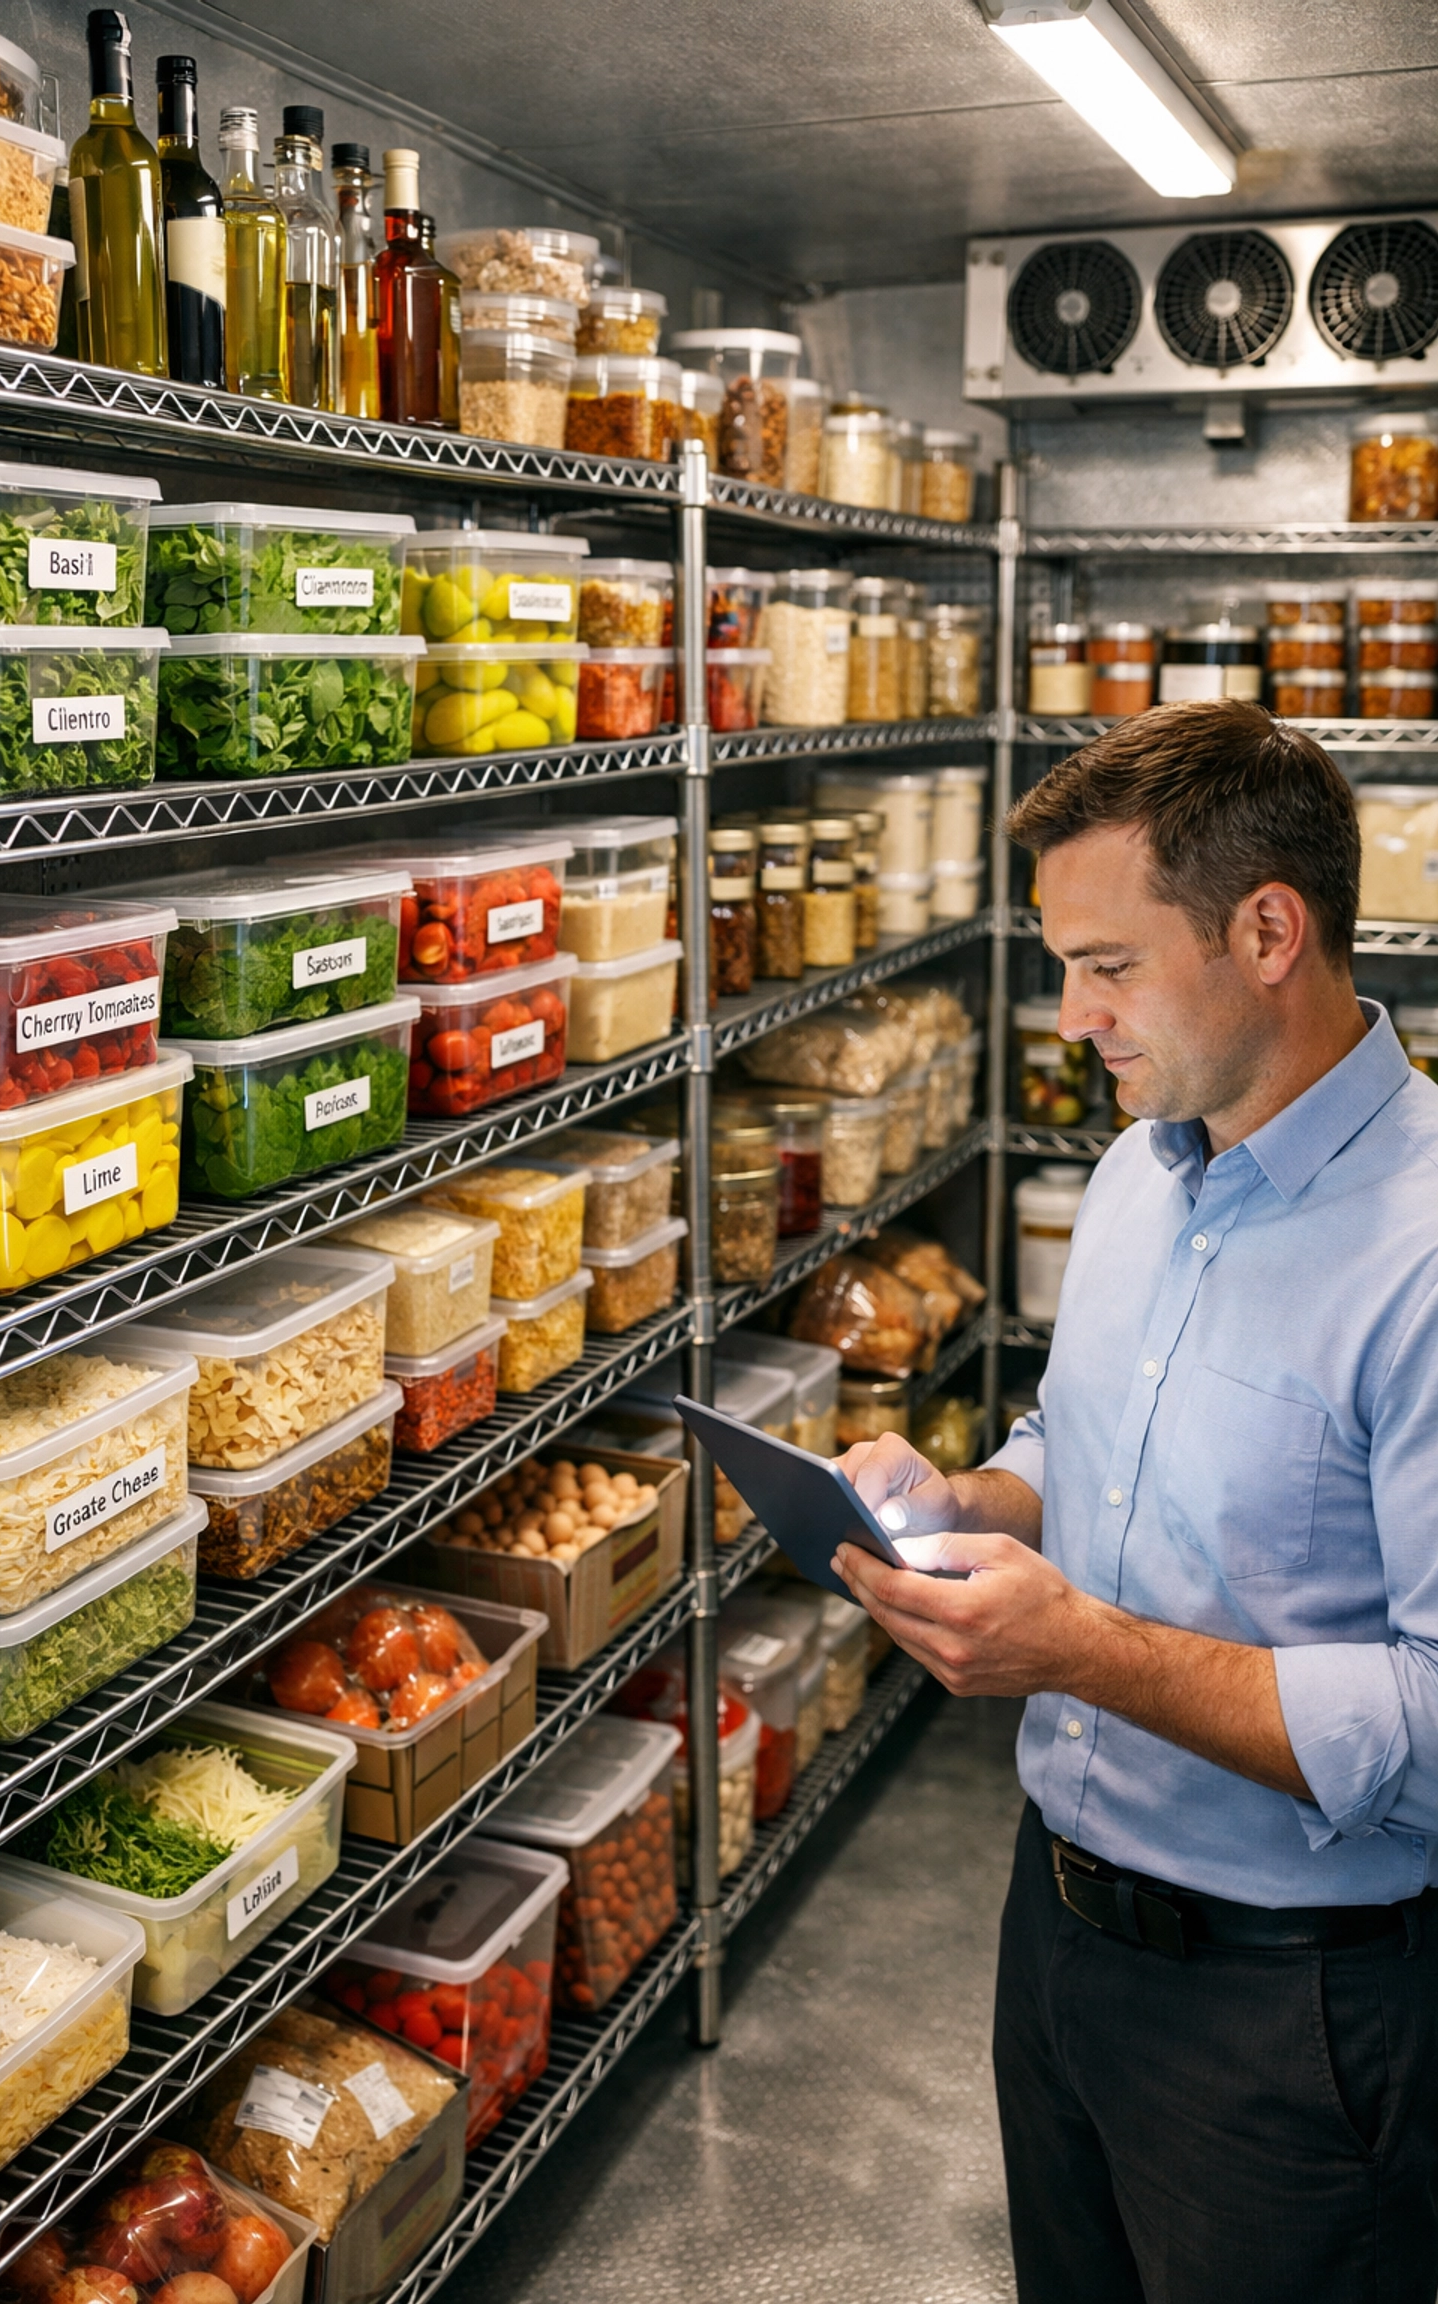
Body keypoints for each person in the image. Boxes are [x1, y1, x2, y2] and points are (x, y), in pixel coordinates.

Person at [833, 699, 1438, 2304]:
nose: (1069, 1013)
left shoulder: (1424, 1254)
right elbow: (1074, 1435)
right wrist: (963, 1495)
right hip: (1058, 1937)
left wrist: (1087, 1650)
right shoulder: (1137, 1170)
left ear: (1265, 930)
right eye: (1059, 965)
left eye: (1106, 966)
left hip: (1293, 2019)